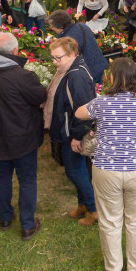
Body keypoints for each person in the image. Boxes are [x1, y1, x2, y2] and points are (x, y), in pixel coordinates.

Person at [73, 58, 136, 271]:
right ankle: (134, 266)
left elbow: (78, 113)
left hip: (106, 170)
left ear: (112, 78)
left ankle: (113, 270)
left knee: (109, 221)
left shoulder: (101, 103)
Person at [0, 32, 47, 240]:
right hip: (22, 137)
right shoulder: (22, 76)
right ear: (15, 51)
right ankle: (28, 225)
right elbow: (41, 96)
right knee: (27, 179)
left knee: (2, 176)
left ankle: (5, 218)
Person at [48, 37, 97, 226]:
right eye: (53, 57)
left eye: (58, 58)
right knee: (78, 170)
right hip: (69, 130)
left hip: (73, 133)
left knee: (75, 172)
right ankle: (83, 205)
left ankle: (93, 210)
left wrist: (76, 137)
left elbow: (84, 111)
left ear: (71, 54)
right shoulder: (71, 69)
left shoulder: (76, 75)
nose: (54, 62)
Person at [46, 10, 106, 84]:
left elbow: (68, 61)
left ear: (61, 26)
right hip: (99, 64)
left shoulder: (67, 40)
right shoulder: (82, 26)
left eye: (52, 26)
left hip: (87, 73)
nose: (52, 28)